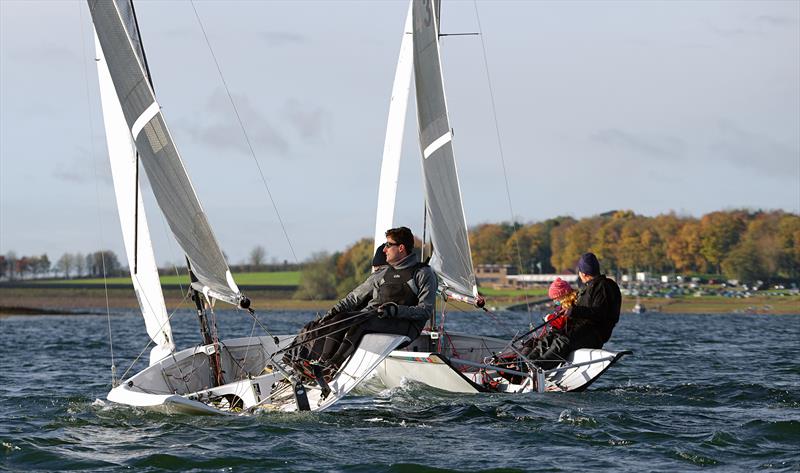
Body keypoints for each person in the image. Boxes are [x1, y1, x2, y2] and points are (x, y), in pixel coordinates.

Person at [284, 226, 437, 384]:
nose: (384, 250)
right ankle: (320, 364)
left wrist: (395, 310)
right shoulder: (383, 274)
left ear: (401, 248)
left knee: (361, 322)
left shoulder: (423, 273)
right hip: (377, 319)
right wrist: (333, 312)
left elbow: (424, 311)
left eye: (388, 245)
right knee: (341, 318)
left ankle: (332, 367)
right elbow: (353, 299)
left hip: (406, 327)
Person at [520, 252, 621, 369]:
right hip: (580, 330)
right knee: (551, 336)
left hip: (594, 334)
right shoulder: (589, 287)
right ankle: (525, 364)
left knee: (563, 341)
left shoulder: (604, 286)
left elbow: (599, 314)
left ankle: (537, 367)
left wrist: (573, 311)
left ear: (583, 273)